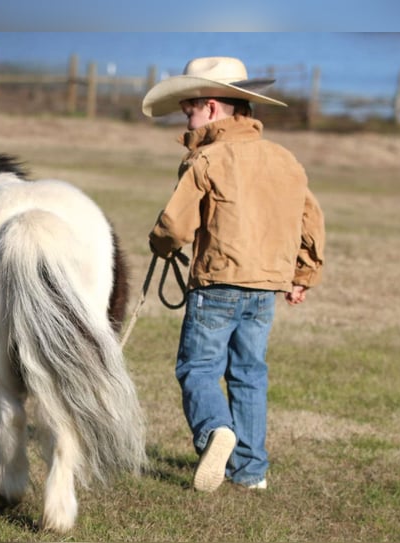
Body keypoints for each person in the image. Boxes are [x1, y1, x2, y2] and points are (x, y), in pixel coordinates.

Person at [142, 56, 326, 492]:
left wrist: (161, 246)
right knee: (249, 374)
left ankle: (214, 431)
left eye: (188, 109)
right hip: (265, 290)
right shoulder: (286, 160)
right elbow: (311, 221)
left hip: (217, 285)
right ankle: (250, 471)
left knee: (199, 368)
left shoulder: (207, 159)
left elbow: (174, 227)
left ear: (210, 107)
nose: (186, 119)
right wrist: (303, 275)